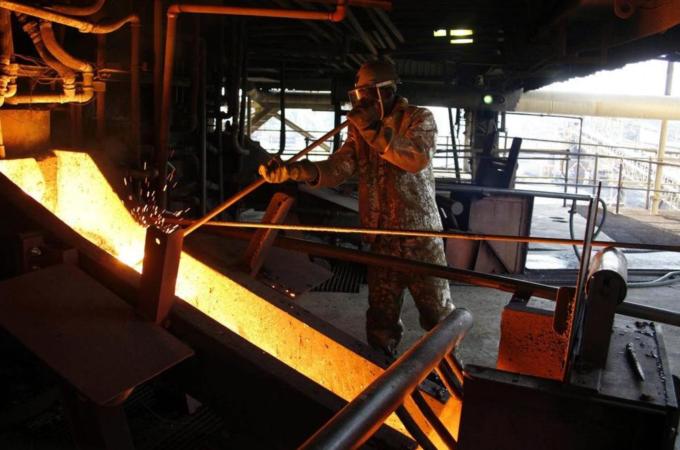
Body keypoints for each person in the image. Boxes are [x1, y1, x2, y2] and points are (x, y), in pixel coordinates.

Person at [259, 60, 454, 359]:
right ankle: (380, 368)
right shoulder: (360, 129)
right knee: (381, 319)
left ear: (387, 91)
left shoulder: (418, 118)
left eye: (369, 94)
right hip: (381, 238)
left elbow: (415, 159)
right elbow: (339, 167)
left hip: (420, 237)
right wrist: (294, 171)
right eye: (360, 94)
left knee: (437, 316)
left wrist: (371, 129)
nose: (363, 101)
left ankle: (449, 373)